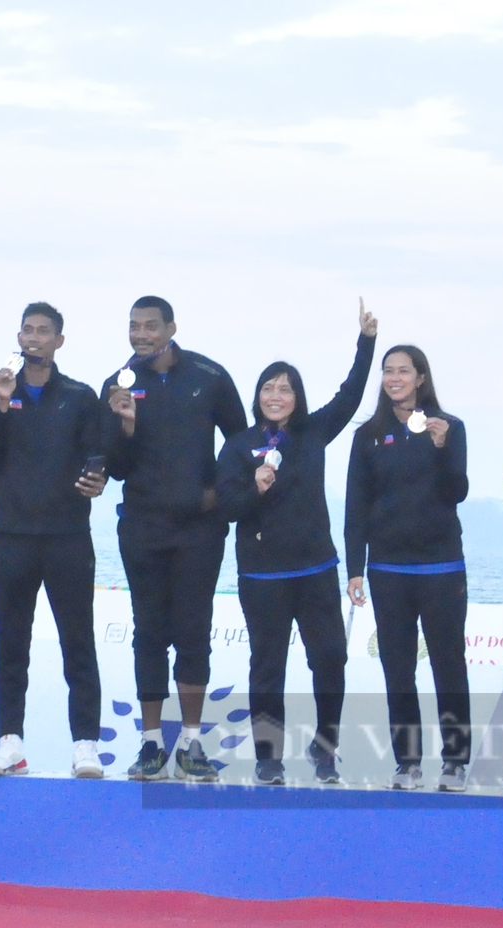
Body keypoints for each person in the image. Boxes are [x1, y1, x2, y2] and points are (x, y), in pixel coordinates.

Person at [216, 300, 377, 786]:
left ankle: (325, 747)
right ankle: (269, 757)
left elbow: (350, 396)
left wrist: (366, 342)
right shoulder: (239, 446)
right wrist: (255, 488)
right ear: (257, 396)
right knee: (267, 667)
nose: (276, 395)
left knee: (330, 658)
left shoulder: (312, 432)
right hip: (262, 574)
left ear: (297, 397)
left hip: (314, 569)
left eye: (286, 389)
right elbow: (227, 508)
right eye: (268, 387)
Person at [99, 295, 247, 783]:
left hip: (199, 530)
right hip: (141, 526)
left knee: (193, 631)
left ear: (171, 328)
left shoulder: (209, 376)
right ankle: (149, 745)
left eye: (150, 327)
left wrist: (217, 497)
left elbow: (242, 442)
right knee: (148, 633)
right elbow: (114, 468)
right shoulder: (117, 384)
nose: (141, 335)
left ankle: (191, 743)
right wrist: (123, 425)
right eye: (134, 327)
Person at [0, 302, 108, 780]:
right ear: (18, 336)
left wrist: (97, 475)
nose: (34, 338)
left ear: (58, 341)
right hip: (13, 537)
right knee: (11, 644)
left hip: (68, 537)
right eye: (27, 330)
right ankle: (10, 742)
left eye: (43, 331)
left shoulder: (78, 395)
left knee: (79, 644)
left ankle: (86, 746)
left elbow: (98, 454)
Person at [344, 343, 471, 791]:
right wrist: (355, 567)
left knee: (448, 665)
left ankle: (455, 760)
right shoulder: (367, 435)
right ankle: (407, 762)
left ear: (421, 377)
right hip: (388, 568)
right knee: (398, 668)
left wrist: (440, 447)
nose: (394, 378)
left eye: (404, 370)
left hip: (441, 567)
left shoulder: (449, 427)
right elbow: (355, 503)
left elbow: (457, 491)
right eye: (388, 371)